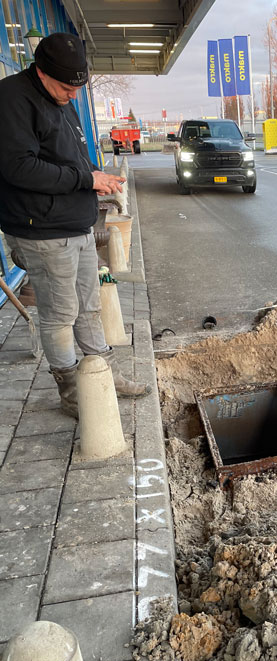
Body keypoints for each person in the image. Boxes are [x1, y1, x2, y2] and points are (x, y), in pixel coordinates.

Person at [0, 32, 149, 418]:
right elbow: (19, 167)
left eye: (78, 87)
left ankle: (101, 374)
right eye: (68, 87)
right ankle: (70, 392)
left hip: (77, 224)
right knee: (59, 315)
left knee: (88, 307)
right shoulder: (12, 99)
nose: (74, 95)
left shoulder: (61, 97)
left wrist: (94, 176)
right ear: (42, 72)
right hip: (44, 231)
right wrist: (87, 180)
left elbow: (63, 157)